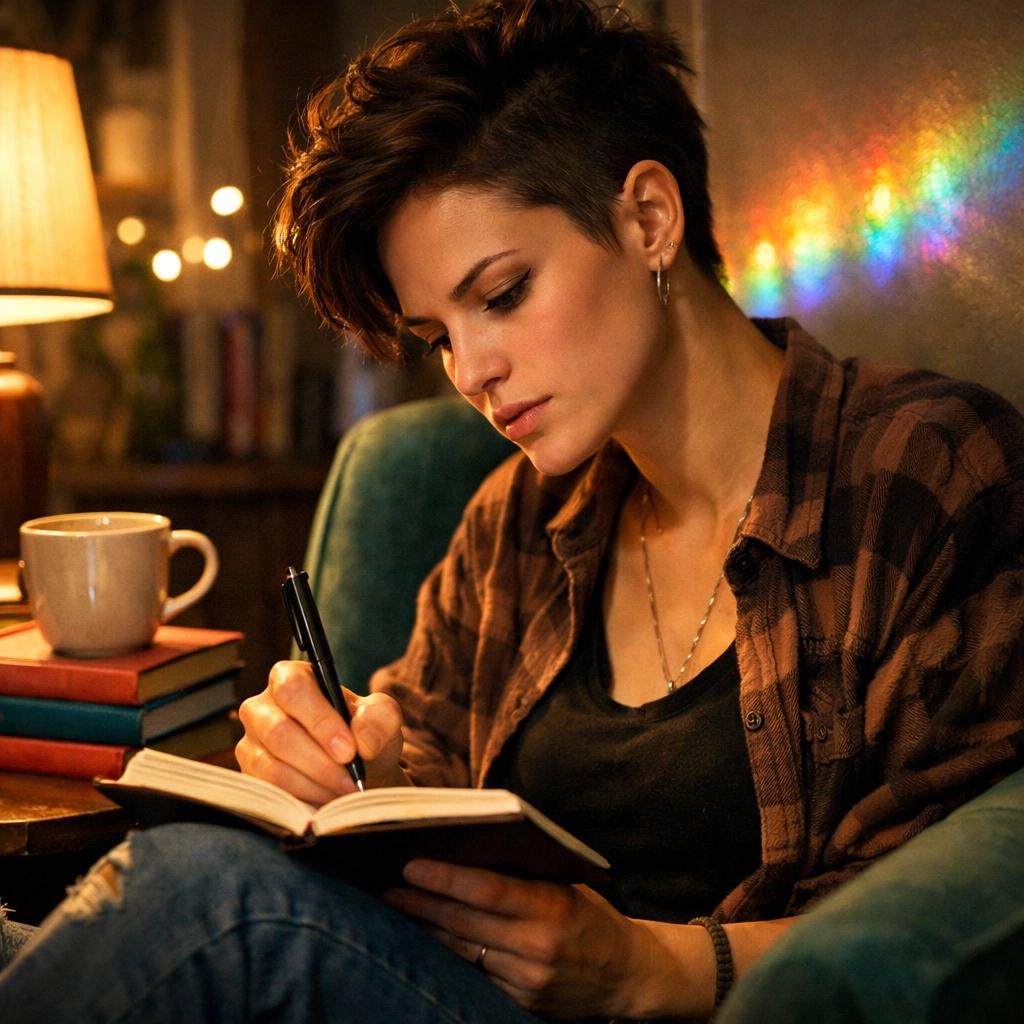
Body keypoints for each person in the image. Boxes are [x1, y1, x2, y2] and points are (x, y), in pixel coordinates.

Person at [2, 1, 1023, 1020]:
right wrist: (368, 764)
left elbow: (943, 919)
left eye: (501, 292)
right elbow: (418, 761)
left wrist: (651, 968)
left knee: (197, 899)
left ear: (649, 219)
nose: (472, 372)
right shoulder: (520, 521)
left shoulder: (925, 474)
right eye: (437, 334)